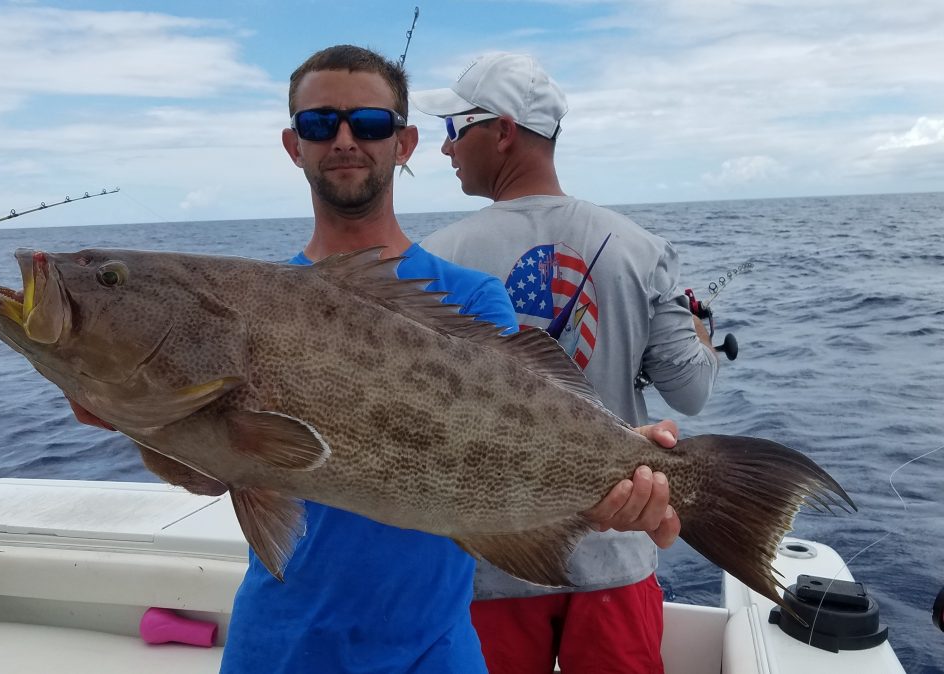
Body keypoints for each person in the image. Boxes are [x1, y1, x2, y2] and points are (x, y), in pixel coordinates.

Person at [68, 45, 682, 674]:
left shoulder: (470, 297)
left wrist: (621, 463)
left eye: (368, 124)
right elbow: (216, 471)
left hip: (433, 653)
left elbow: (515, 429)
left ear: (405, 142)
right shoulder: (252, 303)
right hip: (279, 648)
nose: (343, 140)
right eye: (318, 124)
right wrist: (136, 418)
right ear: (293, 144)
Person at [412, 52, 721, 674]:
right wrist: (701, 331)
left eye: (455, 130)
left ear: (501, 131)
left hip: (495, 562)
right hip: (618, 556)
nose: (446, 150)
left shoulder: (432, 260)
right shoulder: (642, 248)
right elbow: (690, 393)